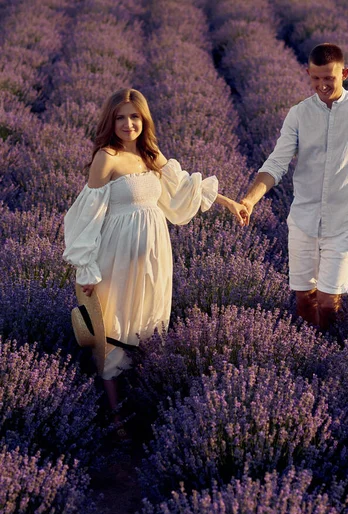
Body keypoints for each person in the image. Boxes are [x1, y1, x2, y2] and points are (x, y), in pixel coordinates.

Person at [63, 88, 248, 427]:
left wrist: (229, 202)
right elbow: (85, 216)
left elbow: (184, 187)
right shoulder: (107, 157)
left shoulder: (151, 155)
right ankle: (116, 415)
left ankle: (144, 403)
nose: (128, 123)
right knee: (114, 325)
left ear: (144, 119)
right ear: (111, 120)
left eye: (134, 116)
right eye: (120, 117)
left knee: (148, 322)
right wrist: (86, 268)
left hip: (154, 254)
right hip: (115, 256)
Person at [241, 43, 348, 330]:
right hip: (304, 220)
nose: (322, 85)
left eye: (329, 78)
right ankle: (309, 358)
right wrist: (250, 200)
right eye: (316, 78)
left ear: (344, 73)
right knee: (304, 299)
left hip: (346, 223)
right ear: (307, 73)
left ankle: (333, 354)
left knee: (328, 301)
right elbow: (276, 163)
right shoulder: (299, 114)